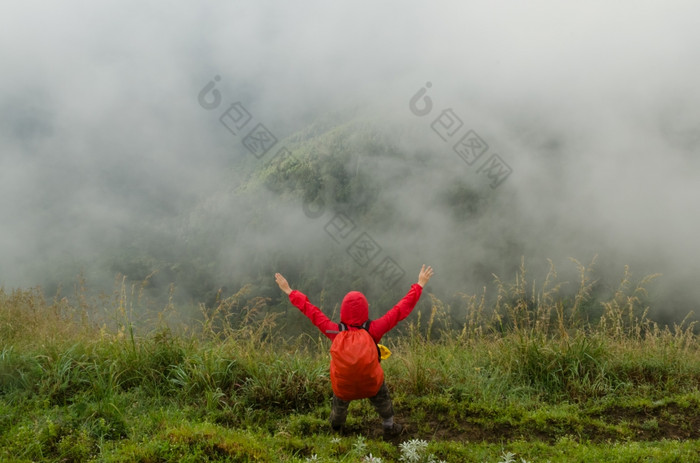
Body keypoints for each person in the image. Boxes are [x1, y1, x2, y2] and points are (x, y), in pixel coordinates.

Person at [274, 264, 434, 437]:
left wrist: (289, 291)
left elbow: (312, 311)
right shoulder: (374, 330)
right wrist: (419, 284)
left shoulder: (334, 331)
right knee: (383, 398)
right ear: (366, 308)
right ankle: (389, 426)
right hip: (371, 384)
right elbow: (400, 310)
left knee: (339, 406)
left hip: (344, 387)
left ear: (343, 310)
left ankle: (336, 429)